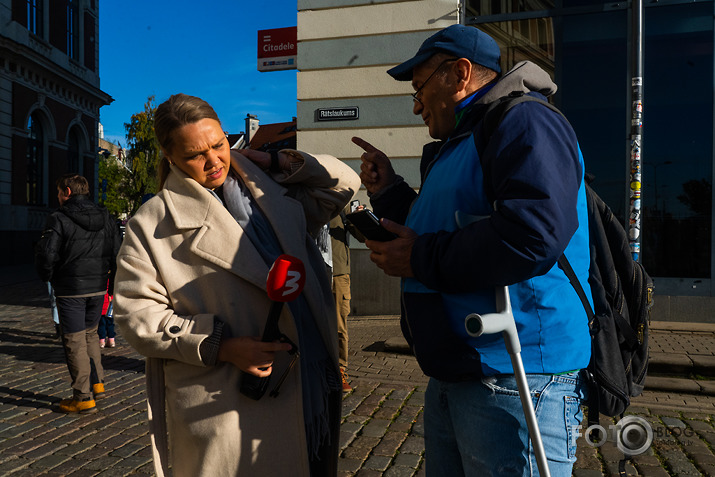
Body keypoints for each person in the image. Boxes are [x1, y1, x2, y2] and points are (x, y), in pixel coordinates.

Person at [352, 25, 592, 476]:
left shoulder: (523, 121)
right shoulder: (461, 142)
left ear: (460, 73)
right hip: (460, 371)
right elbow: (442, 227)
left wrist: (420, 258)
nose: (417, 104)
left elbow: (533, 234)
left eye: (420, 87)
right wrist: (389, 192)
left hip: (516, 375)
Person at [114, 93, 360, 477]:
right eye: (197, 154)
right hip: (226, 397)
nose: (214, 161)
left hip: (306, 380)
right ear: (170, 156)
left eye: (219, 144)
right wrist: (220, 345)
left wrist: (280, 161)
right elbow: (135, 315)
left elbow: (344, 183)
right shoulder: (153, 222)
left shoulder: (268, 190)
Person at [35, 174, 121, 414]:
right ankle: (97, 382)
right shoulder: (106, 217)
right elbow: (118, 253)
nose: (58, 197)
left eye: (60, 193)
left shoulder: (59, 217)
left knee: (74, 340)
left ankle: (82, 396)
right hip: (98, 286)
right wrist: (112, 285)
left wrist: (48, 276)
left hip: (71, 288)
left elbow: (47, 254)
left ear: (68, 192)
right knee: (91, 334)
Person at [329, 208, 353, 392]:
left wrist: (355, 217)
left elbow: (361, 235)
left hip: (338, 271)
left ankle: (340, 370)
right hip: (313, 268)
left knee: (339, 325)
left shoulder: (342, 200)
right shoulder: (307, 195)